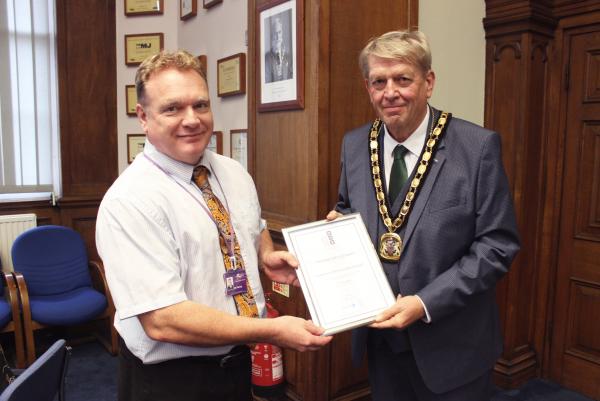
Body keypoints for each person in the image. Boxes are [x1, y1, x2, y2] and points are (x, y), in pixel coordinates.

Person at [96, 50, 331, 401]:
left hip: (234, 365)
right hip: (171, 382)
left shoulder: (232, 171)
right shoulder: (130, 201)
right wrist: (271, 331)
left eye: (200, 105)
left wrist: (265, 253)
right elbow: (163, 319)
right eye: (172, 108)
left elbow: (255, 224)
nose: (192, 119)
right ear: (143, 117)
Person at [327, 31, 520, 401]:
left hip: (452, 346)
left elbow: (498, 245)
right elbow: (348, 206)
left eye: (403, 79)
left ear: (428, 82)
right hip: (381, 340)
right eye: (378, 82)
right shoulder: (354, 144)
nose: (390, 92)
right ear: (368, 87)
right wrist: (338, 222)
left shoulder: (477, 147)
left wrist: (425, 302)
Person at [264, 12, 293, 83]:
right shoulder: (266, 58)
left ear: (282, 34)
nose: (277, 37)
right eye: (275, 33)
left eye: (279, 32)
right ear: (272, 35)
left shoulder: (288, 57)